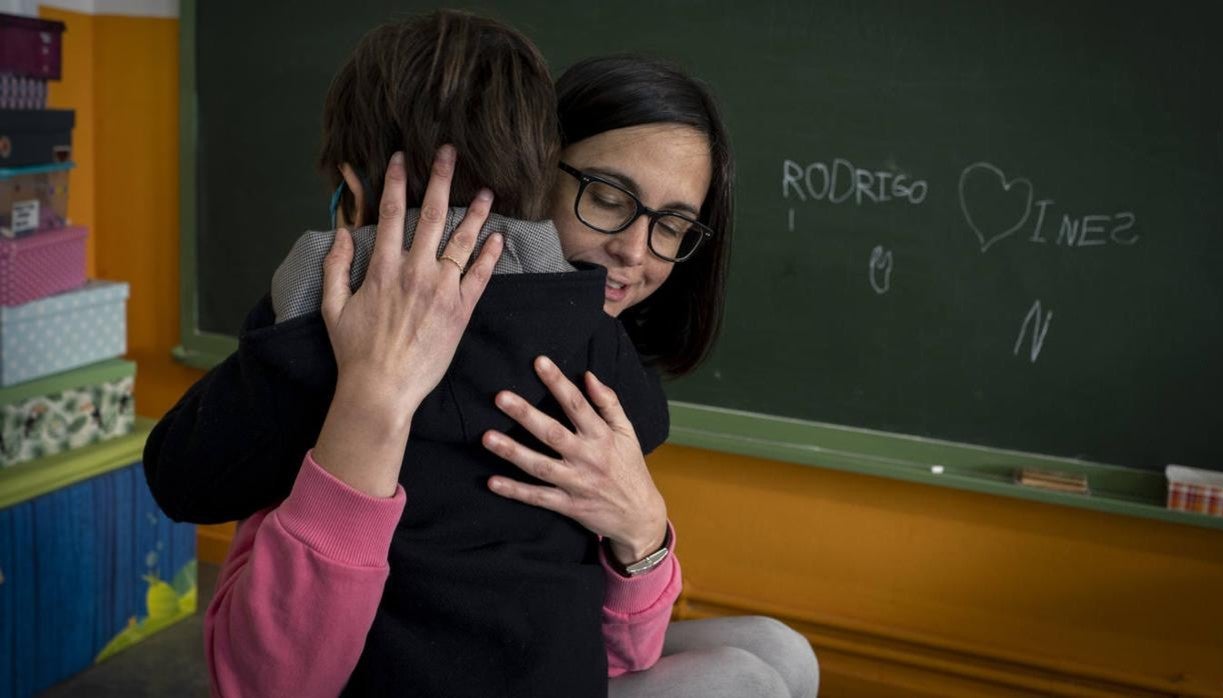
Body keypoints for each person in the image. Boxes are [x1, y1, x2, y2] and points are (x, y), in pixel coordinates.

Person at [145, 12, 817, 698]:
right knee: (747, 678)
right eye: (609, 198)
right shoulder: (586, 348)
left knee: (776, 654)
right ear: (534, 170)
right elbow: (272, 679)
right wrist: (368, 400)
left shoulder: (314, 313)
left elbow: (180, 472)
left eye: (673, 226)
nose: (636, 252)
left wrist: (642, 529)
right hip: (356, 658)